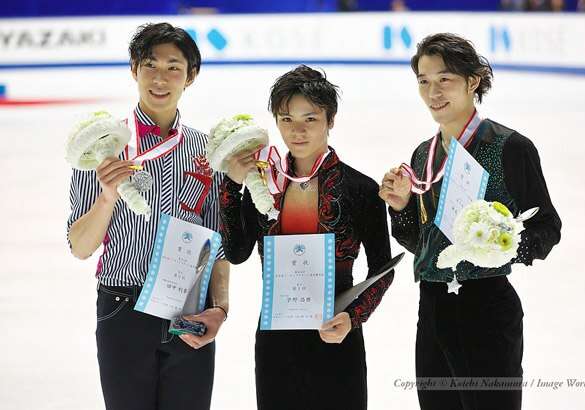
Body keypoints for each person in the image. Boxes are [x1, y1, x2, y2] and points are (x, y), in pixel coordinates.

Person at [379, 33, 561, 410]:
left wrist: (505, 248)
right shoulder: (422, 155)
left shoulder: (511, 147)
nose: (434, 92)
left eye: (444, 79)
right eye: (424, 81)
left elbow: (547, 227)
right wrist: (399, 208)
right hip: (432, 309)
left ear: (472, 81)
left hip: (487, 307)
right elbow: (419, 241)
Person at [67, 22, 229, 410]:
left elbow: (218, 243)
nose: (160, 78)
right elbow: (79, 246)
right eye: (150, 65)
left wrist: (220, 309)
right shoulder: (104, 146)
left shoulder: (207, 150)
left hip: (188, 308)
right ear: (133, 69)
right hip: (123, 307)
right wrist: (106, 198)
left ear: (191, 76)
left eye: (173, 67)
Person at [219, 65, 393, 410]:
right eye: (286, 119)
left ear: (330, 120)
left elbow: (383, 269)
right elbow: (236, 252)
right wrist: (232, 184)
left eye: (310, 119)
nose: (296, 131)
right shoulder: (263, 186)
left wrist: (353, 317)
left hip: (337, 335)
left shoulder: (359, 189)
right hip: (276, 343)